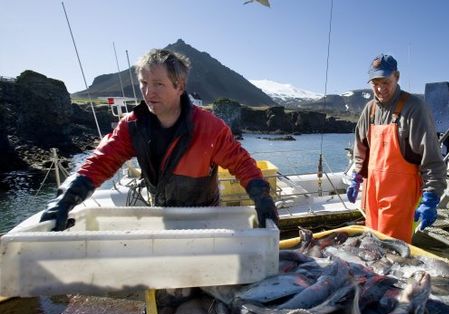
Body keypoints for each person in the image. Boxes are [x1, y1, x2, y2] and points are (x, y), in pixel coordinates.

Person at [39, 48, 278, 230]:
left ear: (179, 86)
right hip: (163, 216)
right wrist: (66, 198)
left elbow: (241, 163)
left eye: (158, 84)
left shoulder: (210, 128)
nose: (148, 92)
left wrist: (262, 197)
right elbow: (102, 160)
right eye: (143, 83)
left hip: (206, 220)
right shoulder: (132, 126)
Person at [347, 53, 447, 244]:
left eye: (385, 82)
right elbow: (361, 146)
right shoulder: (370, 109)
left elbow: (432, 158)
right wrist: (357, 177)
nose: (380, 88)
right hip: (372, 192)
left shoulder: (415, 108)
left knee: (394, 252)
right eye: (375, 83)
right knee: (370, 246)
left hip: (399, 197)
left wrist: (432, 197)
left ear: (397, 77)